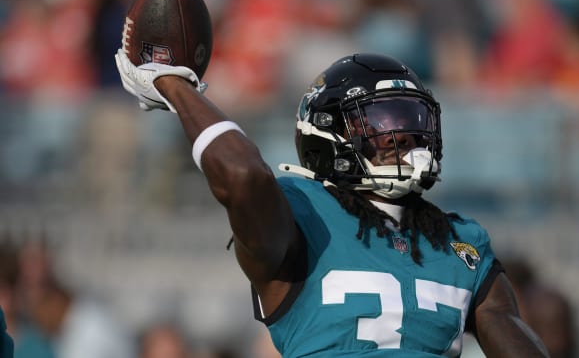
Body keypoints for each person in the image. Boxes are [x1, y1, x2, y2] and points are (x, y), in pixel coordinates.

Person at [115, 48, 550, 357]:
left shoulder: (461, 242)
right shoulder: (300, 212)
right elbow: (244, 175)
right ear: (330, 134)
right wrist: (174, 85)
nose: (409, 139)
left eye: (414, 123)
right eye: (386, 124)